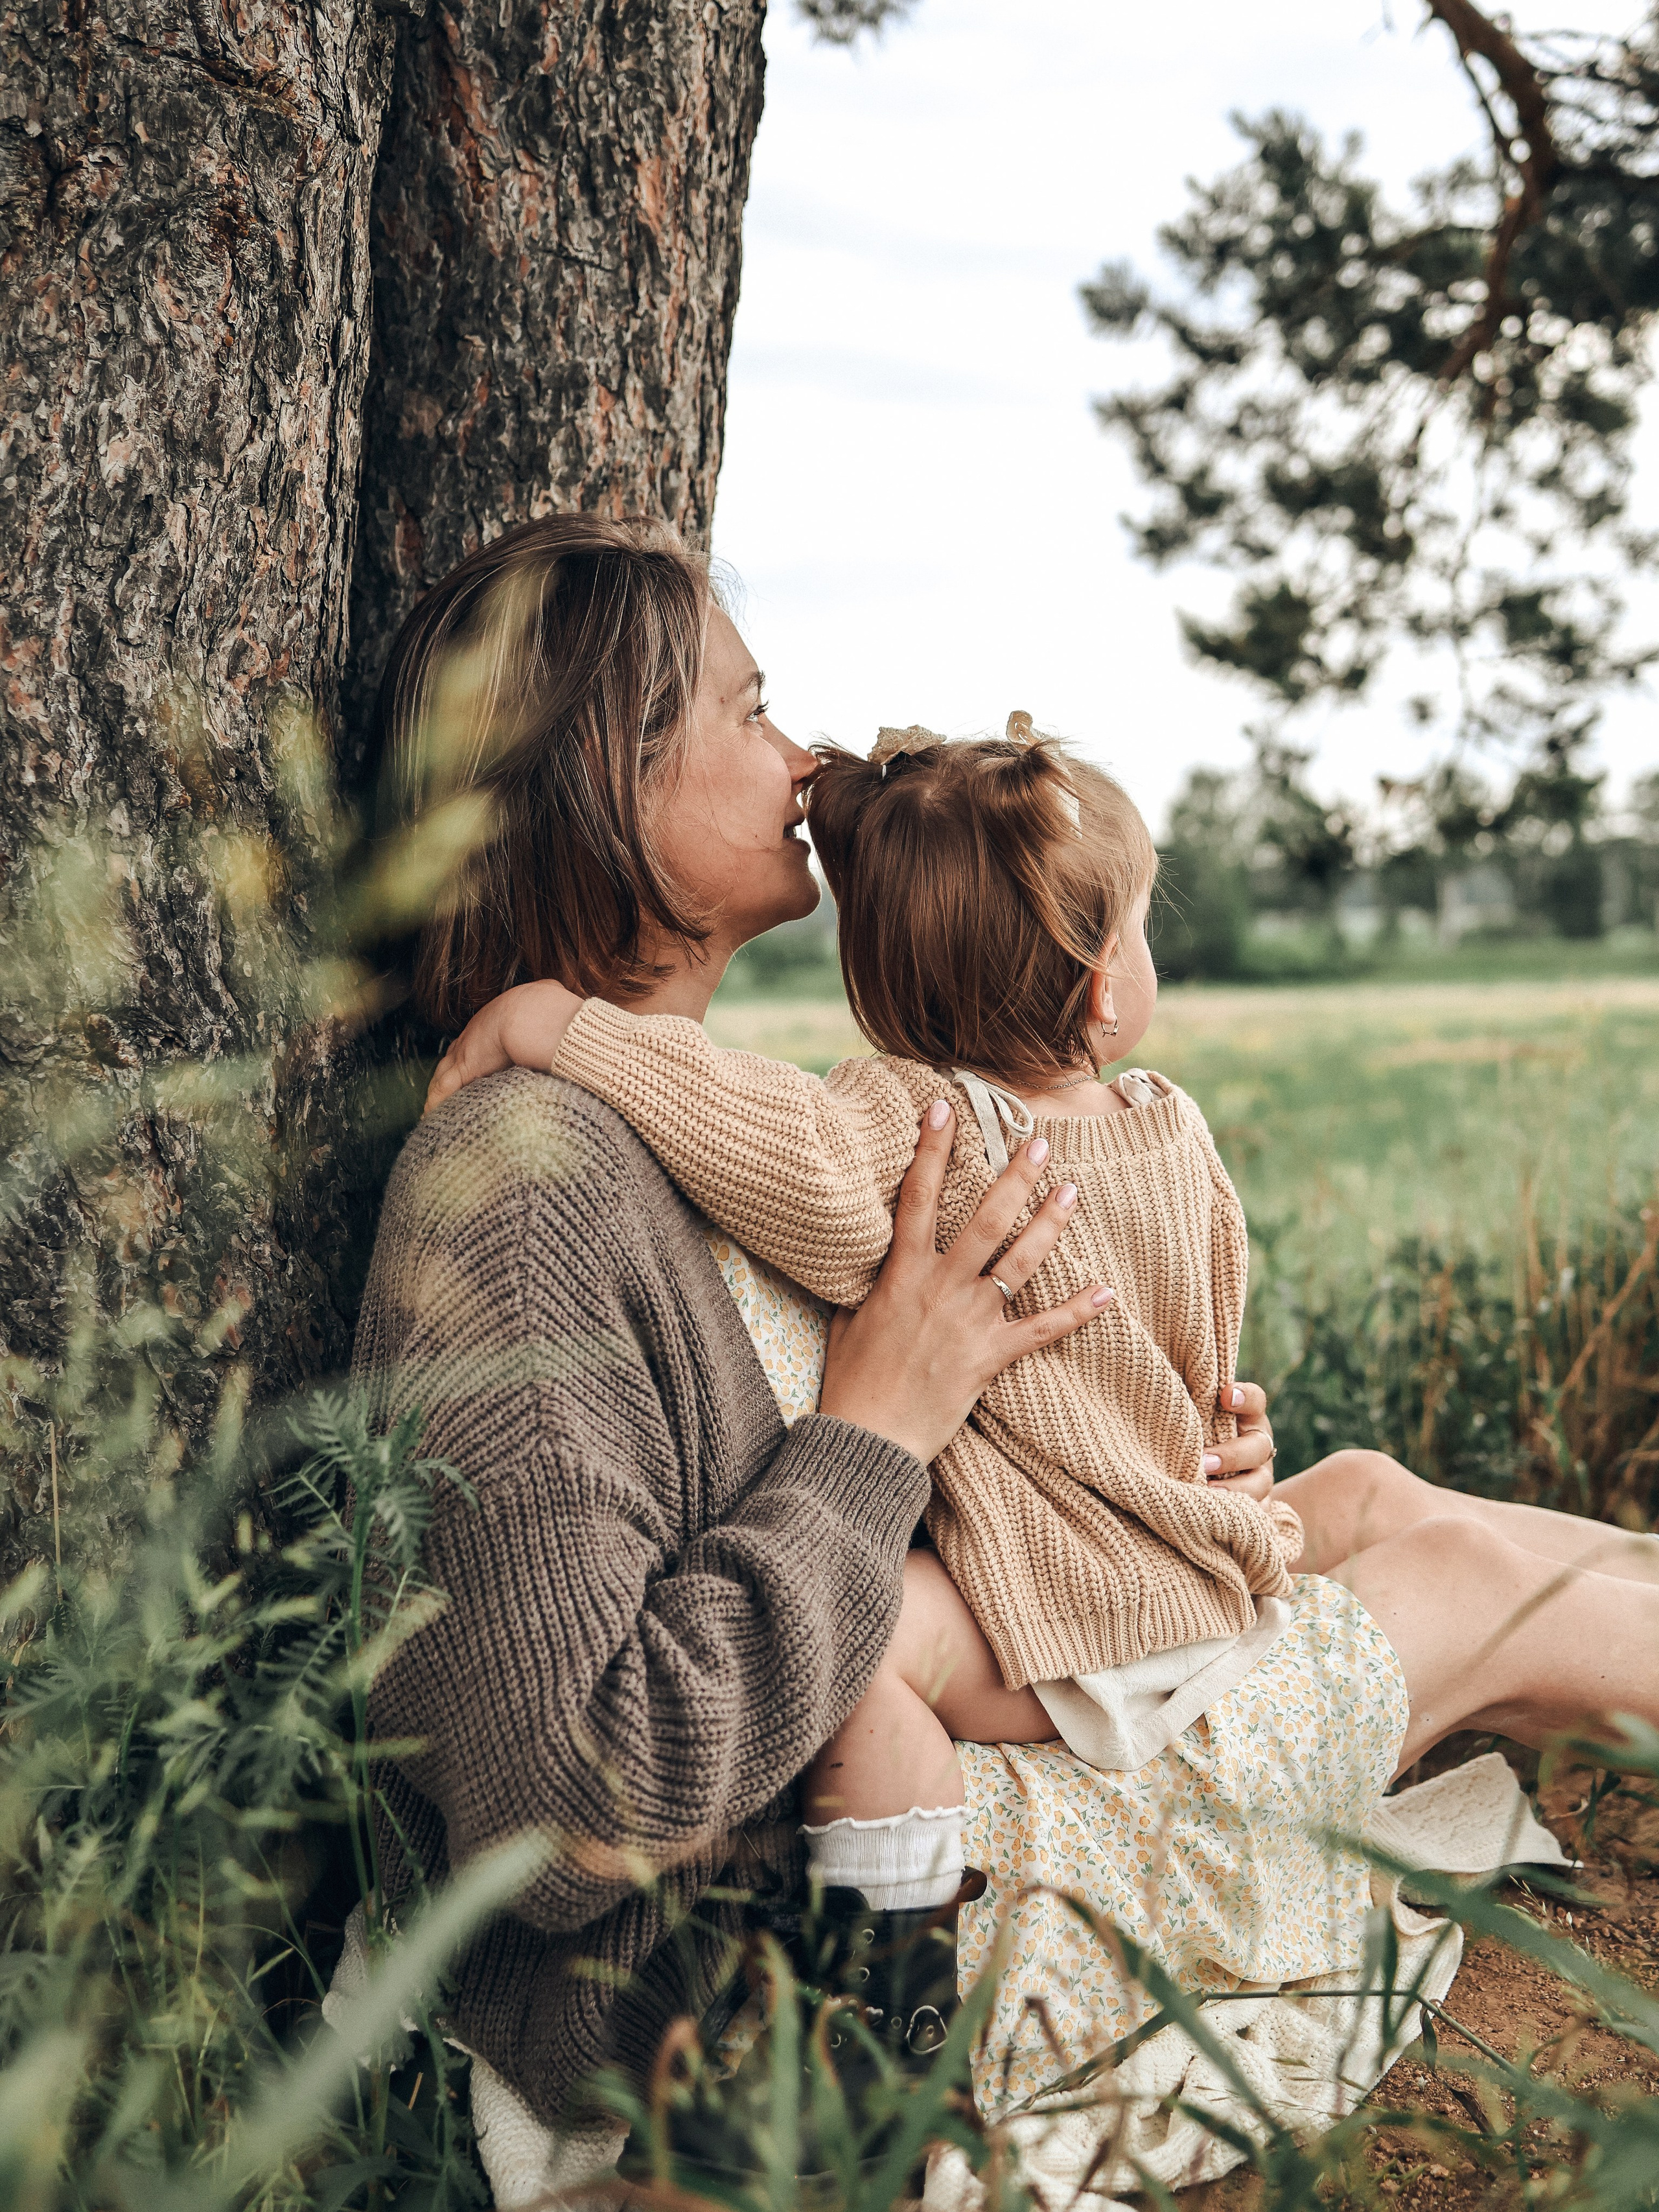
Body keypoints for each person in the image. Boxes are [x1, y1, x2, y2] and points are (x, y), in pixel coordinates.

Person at [371, 512, 1659, 2138]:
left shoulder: (695, 1118)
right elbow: (567, 1807)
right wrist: (874, 1433)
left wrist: (1132, 1436)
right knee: (1479, 1585)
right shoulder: (521, 1185)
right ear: (604, 782)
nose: (803, 753)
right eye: (750, 707)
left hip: (966, 1709)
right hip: (810, 1956)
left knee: (1377, 1495)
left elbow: (900, 1429)